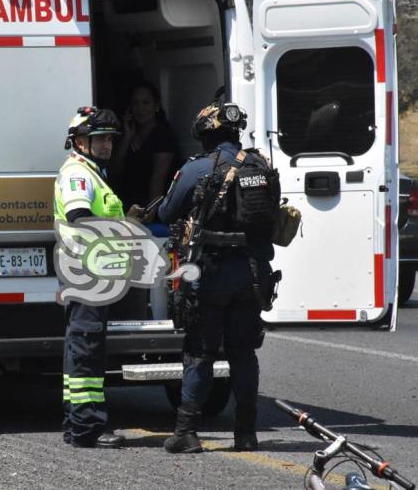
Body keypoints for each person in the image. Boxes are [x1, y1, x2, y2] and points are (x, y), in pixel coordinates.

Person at [158, 101, 280, 454]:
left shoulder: (197, 169)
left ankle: (186, 432)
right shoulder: (260, 165)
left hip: (209, 272)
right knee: (244, 353)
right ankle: (245, 433)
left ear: (205, 135)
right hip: (251, 272)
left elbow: (167, 211)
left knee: (200, 351)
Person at [54, 106, 128, 449]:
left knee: (81, 347)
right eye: (98, 139)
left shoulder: (93, 173)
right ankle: (86, 427)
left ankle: (77, 424)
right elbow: (80, 217)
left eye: (109, 139)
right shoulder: (78, 175)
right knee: (86, 349)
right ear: (79, 142)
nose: (106, 145)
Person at [110, 82, 181, 210]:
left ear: (156, 106)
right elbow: (115, 171)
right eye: (135, 103)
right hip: (126, 203)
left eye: (146, 103)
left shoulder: (163, 134)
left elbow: (158, 179)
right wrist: (127, 137)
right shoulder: (128, 133)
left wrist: (150, 211)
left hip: (152, 205)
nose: (140, 108)